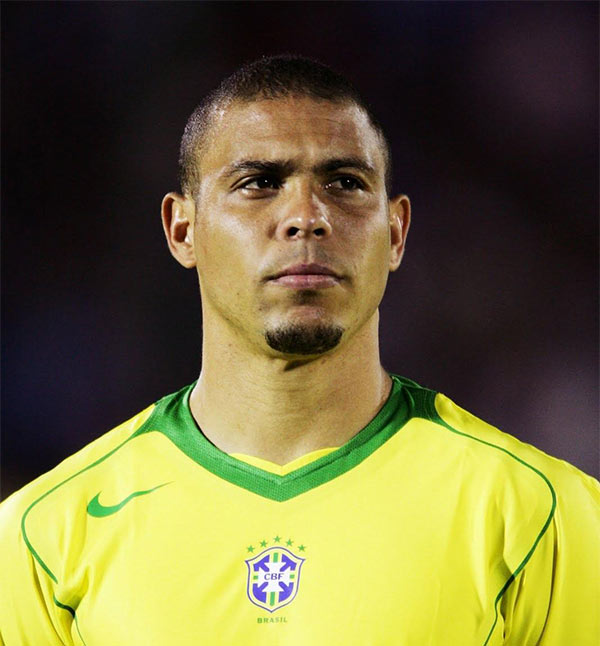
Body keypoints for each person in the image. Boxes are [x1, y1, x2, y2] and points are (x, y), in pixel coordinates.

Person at [0, 55, 598, 646]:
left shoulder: (542, 515)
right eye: (259, 183)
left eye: (345, 183)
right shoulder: (44, 539)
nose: (307, 217)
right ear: (183, 230)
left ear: (395, 232)